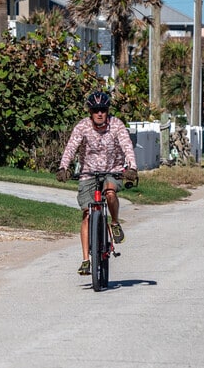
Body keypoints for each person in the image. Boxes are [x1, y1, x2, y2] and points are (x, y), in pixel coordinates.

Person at [56, 91, 138, 275]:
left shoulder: (116, 125)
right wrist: (63, 167)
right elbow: (71, 147)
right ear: (90, 112)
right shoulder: (83, 127)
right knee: (87, 214)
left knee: (110, 193)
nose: (100, 114)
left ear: (107, 111)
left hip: (112, 170)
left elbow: (127, 146)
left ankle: (115, 223)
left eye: (103, 110)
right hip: (88, 173)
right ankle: (86, 260)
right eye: (95, 110)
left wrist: (132, 167)